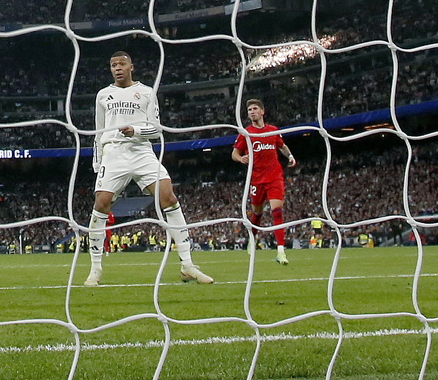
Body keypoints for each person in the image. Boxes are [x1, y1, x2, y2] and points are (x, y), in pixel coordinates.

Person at [83, 51, 213, 287]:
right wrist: (97, 162)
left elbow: (156, 130)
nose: (117, 68)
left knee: (169, 197)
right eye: (113, 65)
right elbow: (98, 132)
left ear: (132, 66)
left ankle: (187, 265)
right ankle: (95, 269)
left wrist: (136, 131)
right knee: (101, 203)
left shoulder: (146, 93)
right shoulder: (103, 95)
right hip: (113, 153)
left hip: (141, 151)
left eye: (121, 64)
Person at [231, 99, 297, 265]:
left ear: (262, 111)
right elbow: (234, 154)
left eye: (255, 109)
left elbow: (281, 146)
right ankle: (252, 239)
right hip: (256, 179)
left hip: (274, 176)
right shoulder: (246, 133)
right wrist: (241, 159)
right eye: (249, 110)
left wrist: (290, 156)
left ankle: (281, 251)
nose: (252, 112)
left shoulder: (273, 131)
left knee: (277, 211)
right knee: (257, 212)